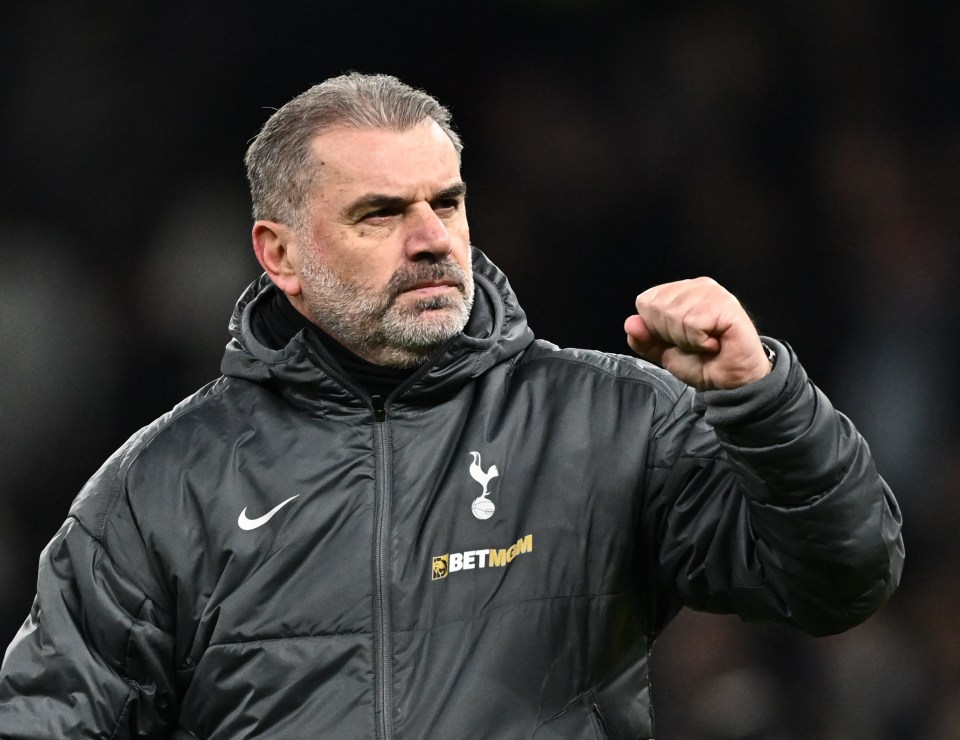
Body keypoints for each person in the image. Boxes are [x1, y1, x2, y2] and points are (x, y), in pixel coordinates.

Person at [0, 72, 903, 739]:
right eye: (381, 214)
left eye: (448, 202)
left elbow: (844, 578)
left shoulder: (610, 422)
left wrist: (763, 401)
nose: (432, 239)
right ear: (280, 256)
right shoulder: (162, 486)